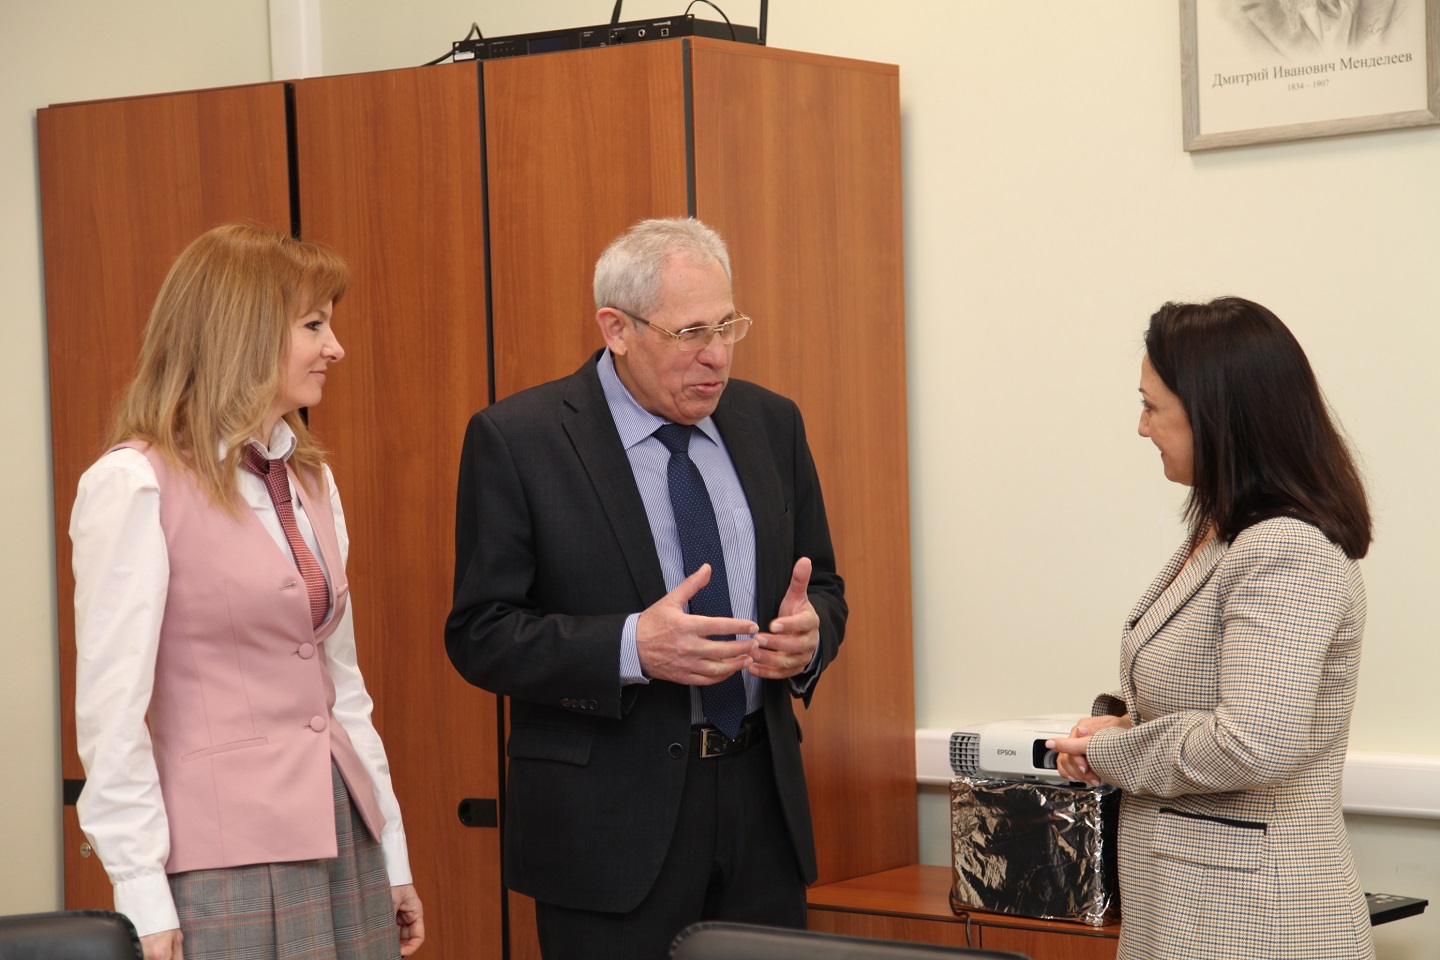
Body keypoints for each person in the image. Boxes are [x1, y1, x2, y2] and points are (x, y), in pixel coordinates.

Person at [445, 217, 847, 960]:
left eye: (727, 326)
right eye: (690, 333)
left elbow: (821, 583)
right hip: (608, 826)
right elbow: (481, 633)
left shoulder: (771, 423)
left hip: (762, 805)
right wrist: (632, 646)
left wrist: (811, 637)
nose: (716, 354)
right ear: (617, 329)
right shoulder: (520, 439)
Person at [72, 224, 425, 960]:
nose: (335, 348)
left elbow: (342, 687)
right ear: (244, 332)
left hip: (346, 837)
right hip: (224, 860)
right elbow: (113, 716)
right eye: (314, 325)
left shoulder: (311, 480)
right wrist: (140, 893)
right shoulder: (134, 483)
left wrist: (391, 851)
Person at [1048, 297, 1374, 960]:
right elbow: (1213, 704)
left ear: (1214, 415)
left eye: (1152, 407)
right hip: (1188, 910)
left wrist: (1114, 752)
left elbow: (1252, 745)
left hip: (1256, 924)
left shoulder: (1286, 549)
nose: (1142, 427)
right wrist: (1124, 726)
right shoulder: (1225, 533)